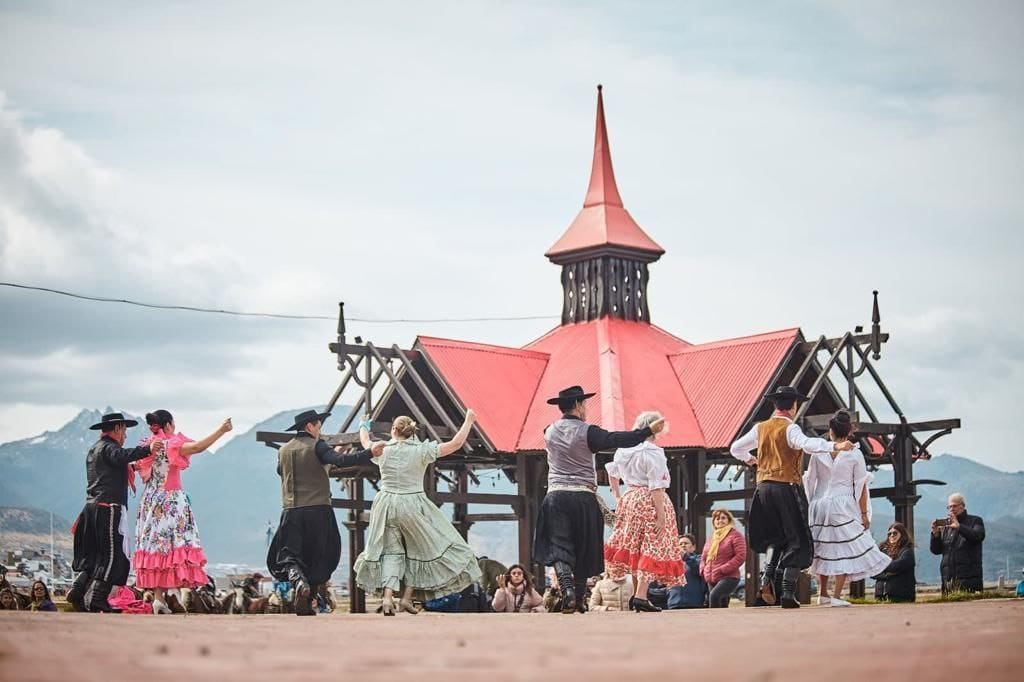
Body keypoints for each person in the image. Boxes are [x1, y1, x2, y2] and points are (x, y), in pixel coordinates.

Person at [534, 386, 666, 614]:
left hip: (555, 495)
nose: (585, 409)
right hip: (583, 496)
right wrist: (646, 432)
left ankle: (566, 588)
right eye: (584, 404)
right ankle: (577, 596)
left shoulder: (549, 430)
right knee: (584, 546)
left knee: (558, 546)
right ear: (577, 406)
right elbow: (616, 439)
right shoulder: (589, 432)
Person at [730, 386, 854, 609]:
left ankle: (767, 578)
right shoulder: (790, 428)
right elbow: (808, 444)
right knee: (798, 538)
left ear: (776, 405)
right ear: (794, 406)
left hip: (763, 488)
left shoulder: (761, 428)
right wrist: (835, 446)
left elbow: (735, 448)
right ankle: (787, 592)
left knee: (776, 536)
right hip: (786, 486)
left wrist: (751, 460)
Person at [354, 412, 483, 616]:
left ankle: (389, 599)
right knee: (420, 549)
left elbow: (365, 441)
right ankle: (405, 598)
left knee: (391, 552)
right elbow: (455, 444)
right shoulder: (422, 450)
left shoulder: (383, 449)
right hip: (412, 503)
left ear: (393, 431)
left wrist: (364, 425)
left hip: (385, 503)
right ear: (412, 431)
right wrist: (468, 421)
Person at [267, 409, 383, 616]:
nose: (320, 431)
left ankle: (298, 582)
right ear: (309, 427)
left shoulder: (283, 450)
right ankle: (309, 595)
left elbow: (280, 471)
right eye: (318, 426)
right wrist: (369, 454)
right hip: (318, 510)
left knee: (289, 554)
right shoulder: (317, 446)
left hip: (291, 511)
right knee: (320, 555)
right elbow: (341, 460)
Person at [134, 409, 233, 614]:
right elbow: (197, 447)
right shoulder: (172, 444)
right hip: (170, 501)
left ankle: (159, 598)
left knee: (157, 548)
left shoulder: (148, 445)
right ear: (169, 425)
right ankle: (176, 594)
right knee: (175, 547)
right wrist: (221, 430)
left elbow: (135, 466)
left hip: (151, 501)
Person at [68, 413, 164, 613]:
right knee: (114, 556)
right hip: (109, 507)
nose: (126, 436)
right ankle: (96, 598)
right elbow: (119, 456)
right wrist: (147, 449)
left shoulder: (95, 449)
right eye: (125, 431)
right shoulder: (111, 448)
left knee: (95, 555)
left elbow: (114, 465)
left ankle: (78, 590)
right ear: (118, 428)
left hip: (91, 508)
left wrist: (134, 466)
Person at [805, 410, 892, 607]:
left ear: (830, 431)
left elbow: (810, 480)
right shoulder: (854, 453)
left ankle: (823, 593)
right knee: (844, 548)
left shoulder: (819, 451)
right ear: (849, 431)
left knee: (823, 548)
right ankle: (836, 595)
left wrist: (811, 505)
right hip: (843, 504)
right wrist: (863, 514)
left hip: (819, 504)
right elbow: (860, 487)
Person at [603, 411, 684, 613]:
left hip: (630, 498)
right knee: (651, 545)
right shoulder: (653, 452)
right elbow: (657, 485)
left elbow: (611, 472)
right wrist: (661, 516)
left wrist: (618, 496)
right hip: (649, 499)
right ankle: (640, 596)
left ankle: (637, 595)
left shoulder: (624, 450)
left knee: (634, 548)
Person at [930, 492, 986, 594]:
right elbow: (936, 550)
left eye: (954, 506)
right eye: (949, 507)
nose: (952, 509)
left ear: (963, 506)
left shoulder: (975, 521)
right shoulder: (947, 528)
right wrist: (935, 535)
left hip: (969, 581)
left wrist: (959, 527)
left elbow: (978, 536)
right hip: (948, 582)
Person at [700, 509, 747, 608]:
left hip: (729, 576)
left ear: (729, 520)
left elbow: (740, 556)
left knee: (714, 596)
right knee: (723, 604)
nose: (720, 520)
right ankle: (724, 623)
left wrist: (723, 569)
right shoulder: (712, 538)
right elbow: (704, 557)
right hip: (711, 577)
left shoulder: (735, 535)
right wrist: (703, 569)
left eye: (723, 518)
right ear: (714, 522)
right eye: (717, 518)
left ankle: (713, 622)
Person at [872, 522, 916, 603]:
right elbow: (872, 570)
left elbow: (898, 566)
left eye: (895, 533)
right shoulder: (882, 550)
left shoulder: (907, 551)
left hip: (900, 595)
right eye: (889, 534)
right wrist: (889, 573)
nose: (892, 535)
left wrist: (881, 568)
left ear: (902, 534)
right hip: (880, 595)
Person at [667, 534, 707, 609]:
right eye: (680, 544)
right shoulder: (671, 563)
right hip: (673, 604)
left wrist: (686, 557)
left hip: (694, 605)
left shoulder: (699, 559)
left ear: (693, 547)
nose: (683, 546)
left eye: (686, 543)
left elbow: (698, 569)